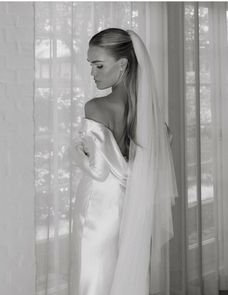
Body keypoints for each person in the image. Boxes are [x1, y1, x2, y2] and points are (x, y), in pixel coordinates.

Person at [70, 28, 178, 295]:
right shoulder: (152, 118)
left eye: (99, 65)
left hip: (99, 208)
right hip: (132, 208)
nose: (93, 73)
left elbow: (96, 169)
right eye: (91, 65)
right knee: (125, 277)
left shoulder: (95, 107)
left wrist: (74, 152)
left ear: (123, 65)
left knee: (92, 277)